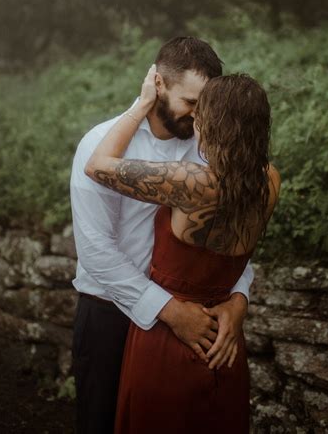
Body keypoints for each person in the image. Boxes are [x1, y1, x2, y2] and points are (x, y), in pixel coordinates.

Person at [70, 37, 254, 434]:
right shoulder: (98, 146)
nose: (199, 115)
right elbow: (95, 252)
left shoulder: (212, 151)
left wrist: (239, 297)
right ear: (158, 85)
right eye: (191, 102)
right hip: (111, 317)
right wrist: (171, 311)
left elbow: (232, 234)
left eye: (207, 105)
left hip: (188, 326)